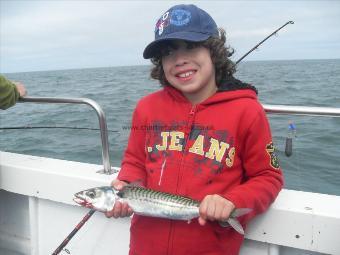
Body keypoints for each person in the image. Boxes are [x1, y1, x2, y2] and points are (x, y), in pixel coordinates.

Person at [106, 4, 283, 255]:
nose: (179, 60)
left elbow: (268, 177)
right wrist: (126, 185)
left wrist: (233, 202)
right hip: (144, 247)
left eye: (190, 46)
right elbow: (135, 161)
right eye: (168, 52)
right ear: (161, 63)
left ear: (214, 51)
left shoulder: (247, 111)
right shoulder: (146, 108)